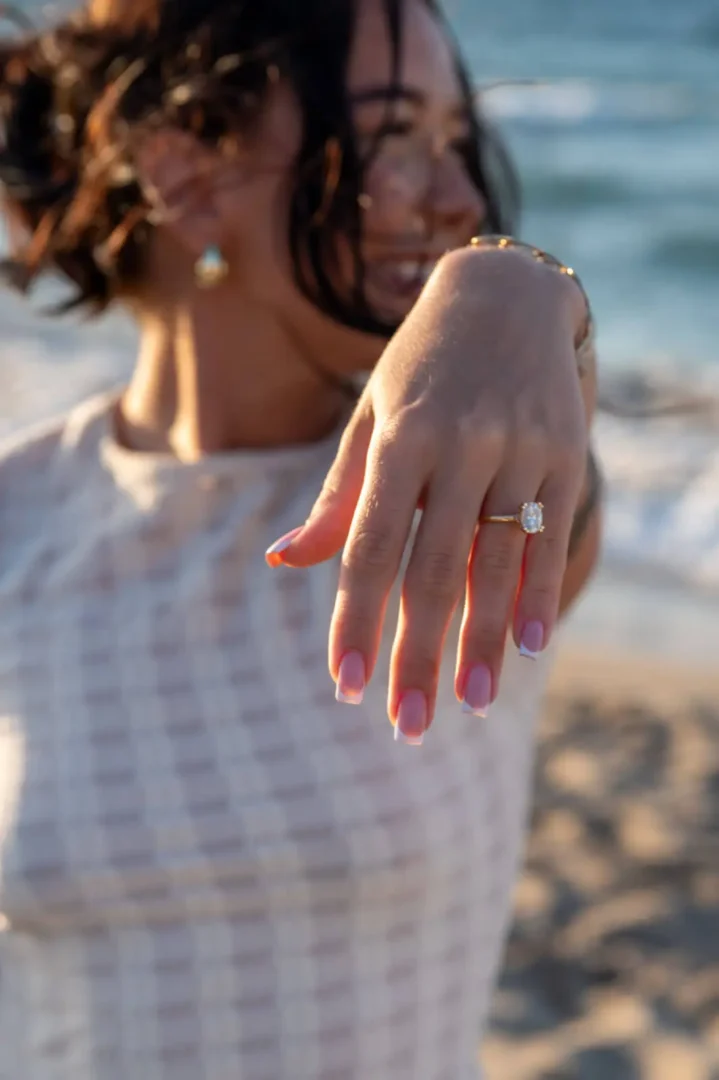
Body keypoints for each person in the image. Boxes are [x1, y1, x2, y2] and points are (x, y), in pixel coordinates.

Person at [0, 0, 601, 1075]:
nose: (457, 196)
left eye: (454, 140)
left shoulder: (463, 508)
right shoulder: (18, 523)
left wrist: (521, 287)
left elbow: (558, 464)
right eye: (390, 136)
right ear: (185, 172)